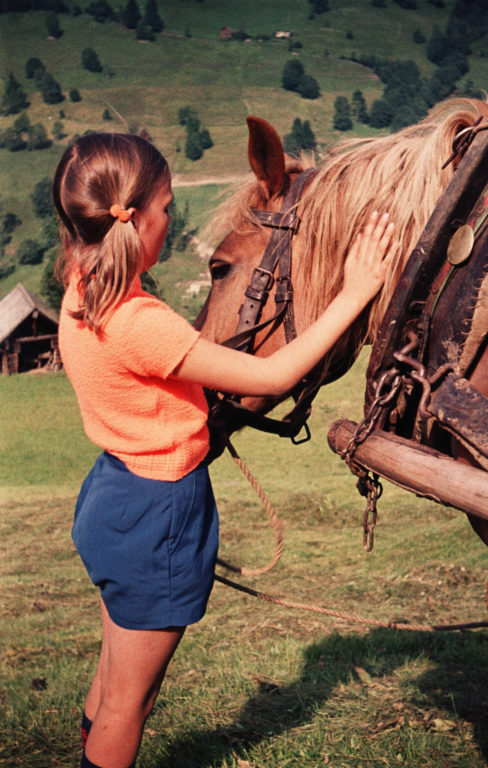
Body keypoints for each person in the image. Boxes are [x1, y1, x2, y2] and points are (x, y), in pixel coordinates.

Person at [54, 132, 396, 768]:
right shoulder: (141, 321)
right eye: (167, 211)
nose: (168, 225)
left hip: (113, 494)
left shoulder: (81, 292)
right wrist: (354, 292)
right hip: (157, 515)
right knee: (132, 704)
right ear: (135, 220)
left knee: (112, 680)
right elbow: (269, 378)